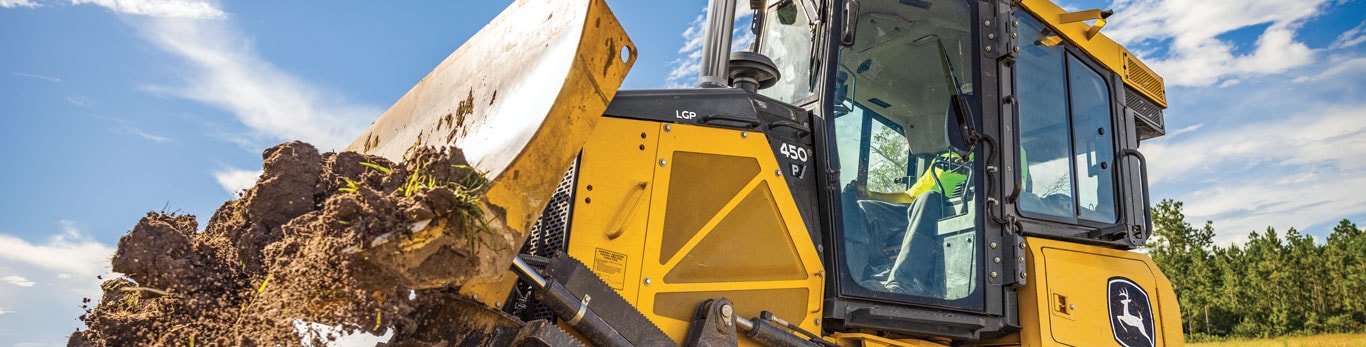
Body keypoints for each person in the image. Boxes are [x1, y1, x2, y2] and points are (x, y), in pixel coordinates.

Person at [850, 152, 970, 295]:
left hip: (952, 216)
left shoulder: (986, 159)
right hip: (919, 210)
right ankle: (857, 275)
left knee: (929, 197)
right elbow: (910, 197)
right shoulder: (943, 159)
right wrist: (870, 195)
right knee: (865, 207)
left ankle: (906, 283)